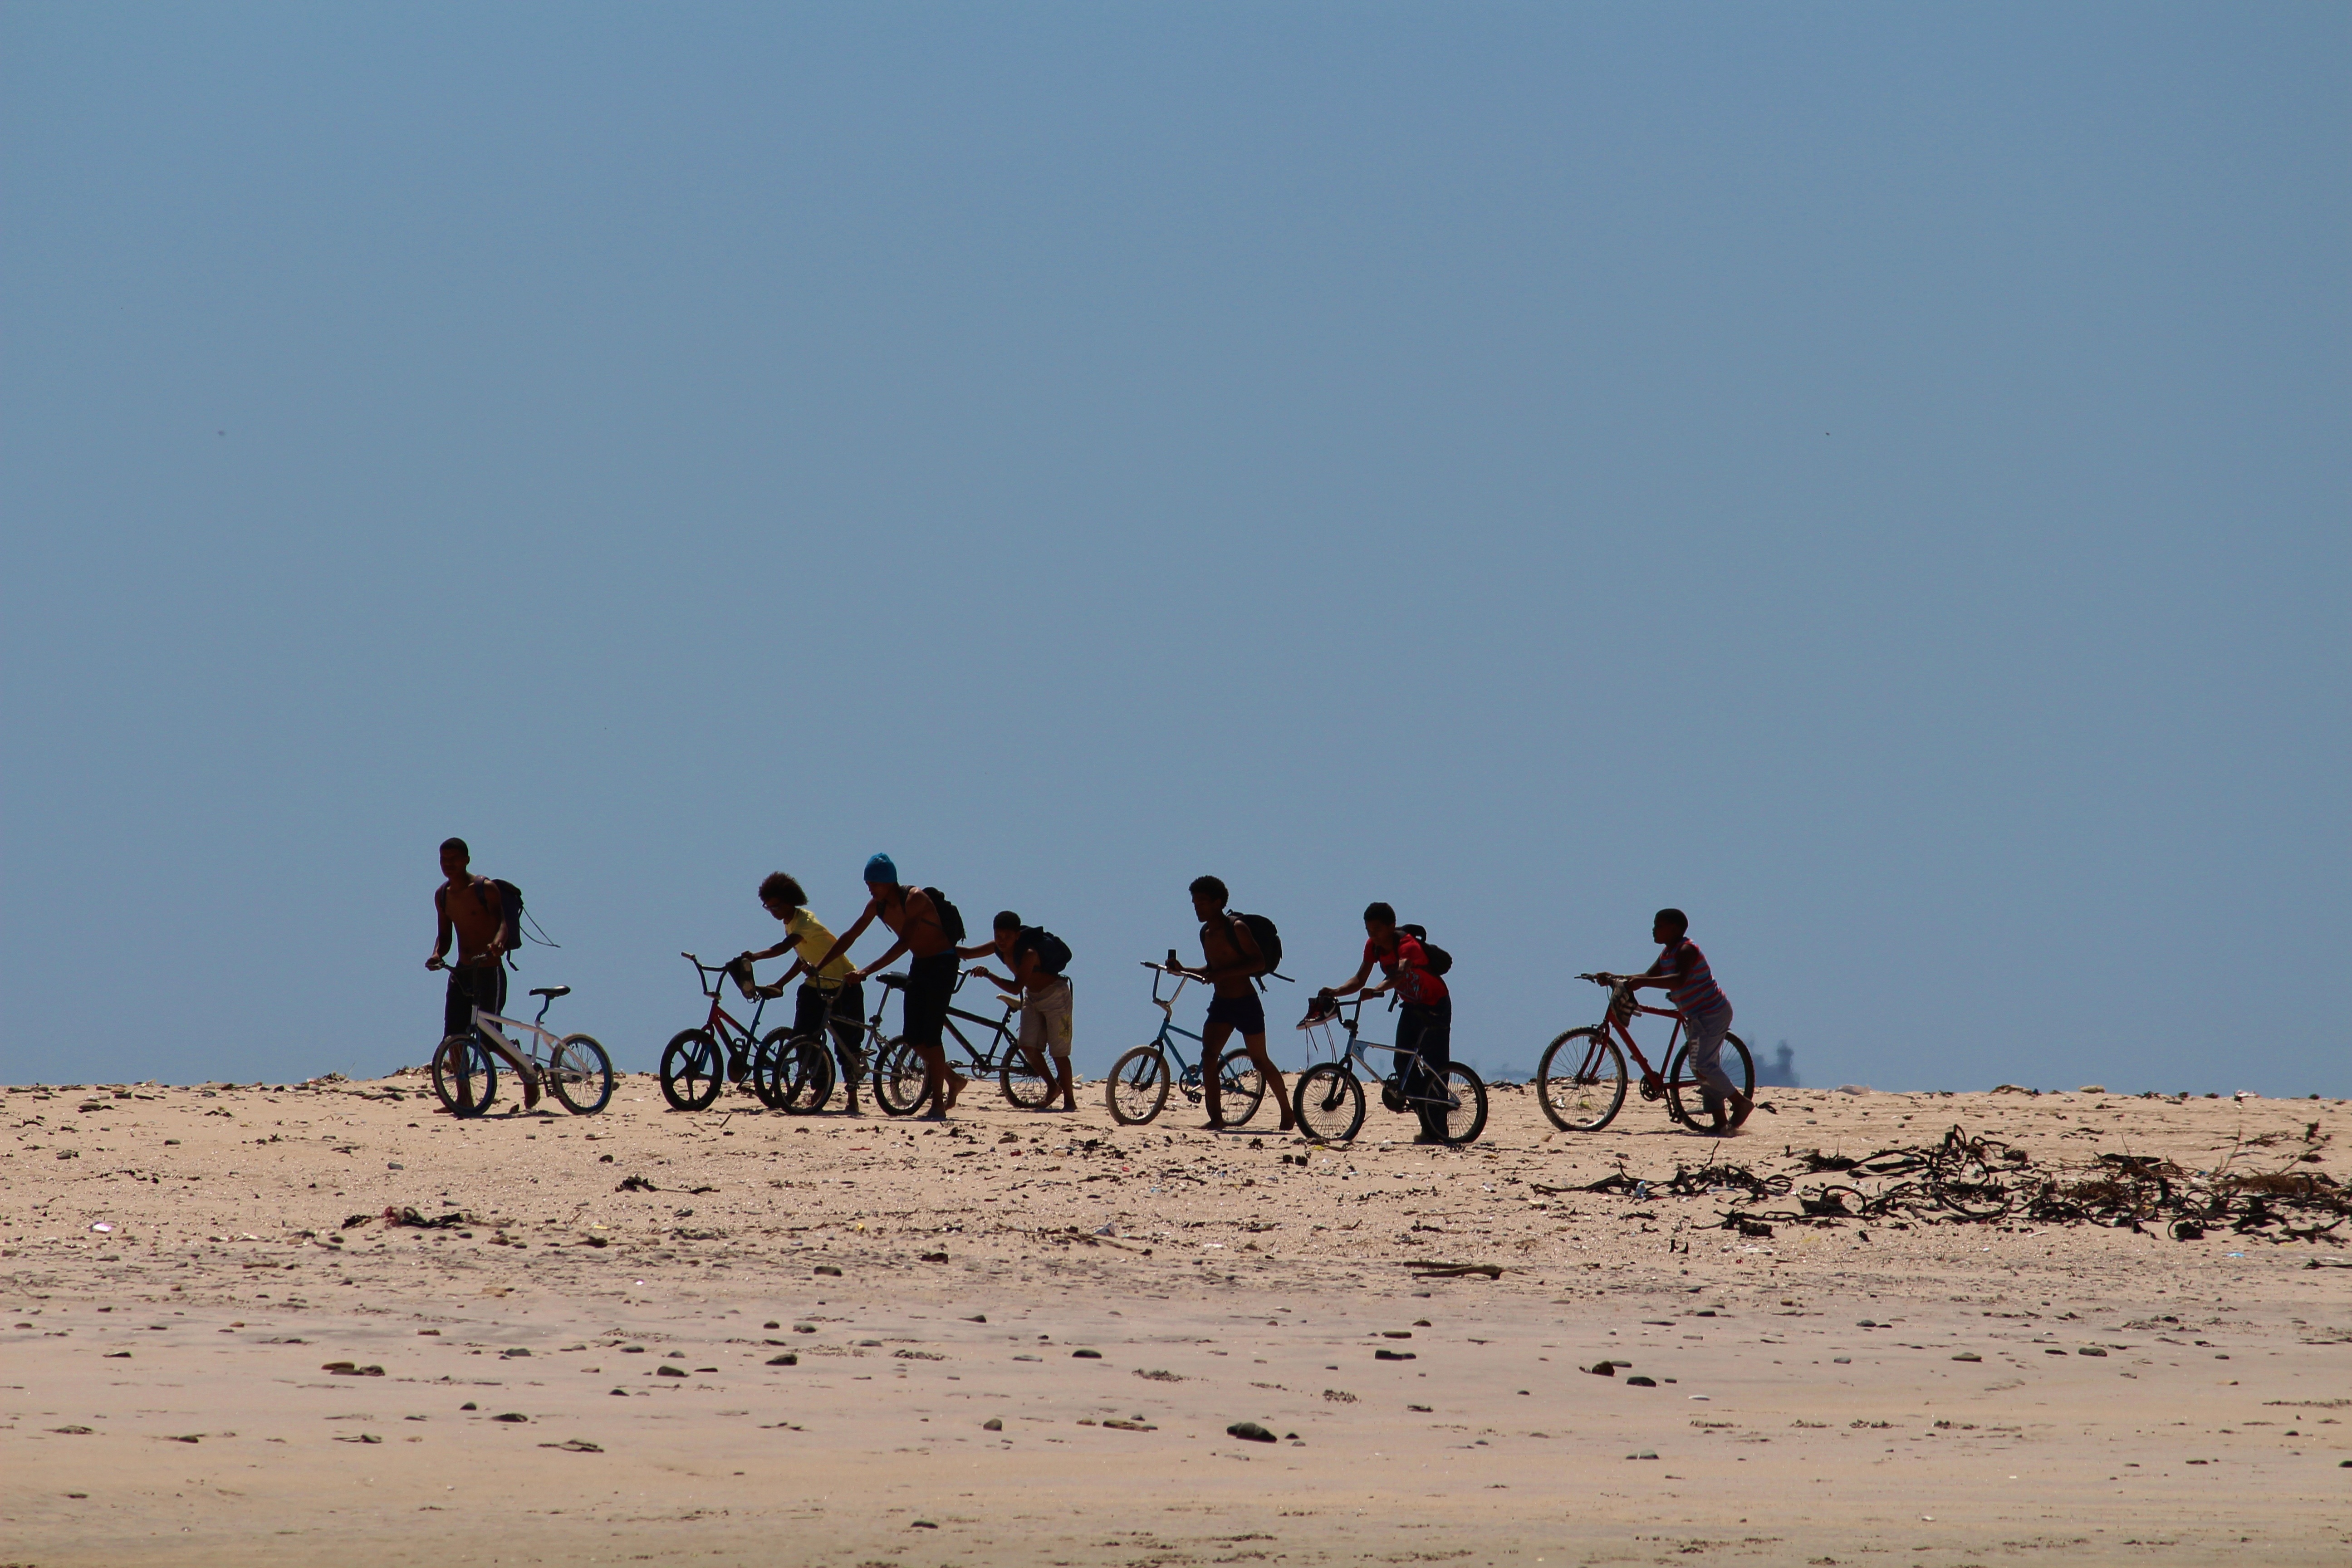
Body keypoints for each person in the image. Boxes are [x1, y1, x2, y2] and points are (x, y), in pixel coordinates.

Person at [804, 855, 965, 1118]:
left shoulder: (915, 899)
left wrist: (866, 971)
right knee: (913, 1037)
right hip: (921, 965)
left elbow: (904, 943)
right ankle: (953, 1079)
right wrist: (819, 966)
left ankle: (938, 1103)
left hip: (943, 964)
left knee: (932, 1036)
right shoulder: (876, 906)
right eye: (868, 884)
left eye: (874, 883)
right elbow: (851, 935)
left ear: (889, 881)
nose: (870, 888)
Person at [1315, 901, 1454, 1143]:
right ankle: (1428, 1119)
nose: (1373, 936)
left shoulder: (1408, 945)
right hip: (1412, 1007)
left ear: (1391, 926)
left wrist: (1377, 990)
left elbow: (1399, 974)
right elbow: (1360, 979)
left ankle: (1439, 1128)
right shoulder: (1373, 947)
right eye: (1369, 931)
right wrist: (1336, 991)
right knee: (1402, 1064)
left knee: (1436, 1067)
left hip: (1436, 1005)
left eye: (1377, 930)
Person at [1167, 876, 1294, 1132]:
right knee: (1208, 1057)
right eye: (1194, 903)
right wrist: (1183, 970)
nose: (1197, 908)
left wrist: (1221, 975)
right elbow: (1212, 969)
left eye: (1202, 902)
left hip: (1246, 1003)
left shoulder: (1237, 928)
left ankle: (1287, 1112)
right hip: (1221, 1004)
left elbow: (1258, 962)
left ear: (1218, 903)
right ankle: (1216, 1119)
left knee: (1260, 1061)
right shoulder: (1205, 933)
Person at [1607, 907, 1749, 1135]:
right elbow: (1649, 976)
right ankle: (1720, 1123)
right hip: (1696, 1015)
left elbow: (1678, 980)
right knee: (1704, 1067)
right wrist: (1616, 978)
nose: (1654, 930)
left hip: (1711, 1013)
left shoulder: (1686, 949)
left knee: (1702, 1066)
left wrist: (1641, 983)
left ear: (1674, 929)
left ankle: (1740, 1102)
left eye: (1659, 926)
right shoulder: (1667, 953)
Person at [739, 872, 869, 1114]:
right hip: (815, 985)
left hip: (843, 984)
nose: (773, 912)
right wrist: (781, 984)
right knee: (803, 1039)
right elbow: (802, 959)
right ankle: (819, 1087)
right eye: (768, 907)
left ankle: (852, 1097)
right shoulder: (789, 923)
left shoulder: (804, 923)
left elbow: (783, 949)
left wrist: (755, 956)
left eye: (776, 906)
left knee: (847, 1044)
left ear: (790, 901)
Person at [424, 837, 535, 1108]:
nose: (448, 864)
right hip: (462, 973)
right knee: (453, 1038)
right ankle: (464, 1097)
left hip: (488, 971)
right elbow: (444, 936)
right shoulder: (442, 895)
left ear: (466, 860)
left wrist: (498, 944)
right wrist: (437, 955)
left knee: (489, 1038)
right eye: (444, 859)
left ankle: (526, 1070)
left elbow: (504, 924)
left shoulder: (485, 889)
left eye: (454, 859)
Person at [960, 911, 1075, 1112]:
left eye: (1007, 937)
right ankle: (1052, 1087)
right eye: (998, 936)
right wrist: (939, 947)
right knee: (1027, 1045)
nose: (1002, 941)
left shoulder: (1029, 954)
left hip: (1056, 996)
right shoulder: (998, 947)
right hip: (1032, 997)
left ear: (1017, 936)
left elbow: (1015, 988)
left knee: (1059, 1054)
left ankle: (1070, 1102)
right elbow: (969, 953)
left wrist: (988, 975)